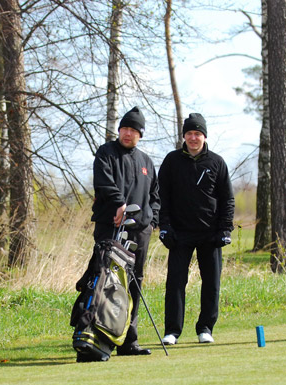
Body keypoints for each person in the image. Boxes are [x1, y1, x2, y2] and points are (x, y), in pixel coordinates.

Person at [158, 113, 235, 345]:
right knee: (175, 283)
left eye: (198, 134)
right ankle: (172, 331)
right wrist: (165, 226)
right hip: (179, 234)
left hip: (210, 234)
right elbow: (162, 197)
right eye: (190, 133)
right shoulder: (172, 161)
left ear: (204, 136)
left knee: (211, 283)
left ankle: (205, 328)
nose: (193, 138)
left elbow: (227, 199)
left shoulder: (217, 162)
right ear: (184, 136)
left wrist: (225, 229)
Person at [92, 106, 160, 356]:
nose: (128, 133)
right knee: (106, 281)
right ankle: (100, 338)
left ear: (140, 134)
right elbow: (103, 183)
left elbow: (155, 195)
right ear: (119, 130)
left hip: (140, 230)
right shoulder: (106, 153)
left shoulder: (146, 161)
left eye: (133, 130)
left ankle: (129, 340)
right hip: (111, 226)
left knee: (134, 282)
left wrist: (152, 219)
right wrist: (119, 203)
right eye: (124, 129)